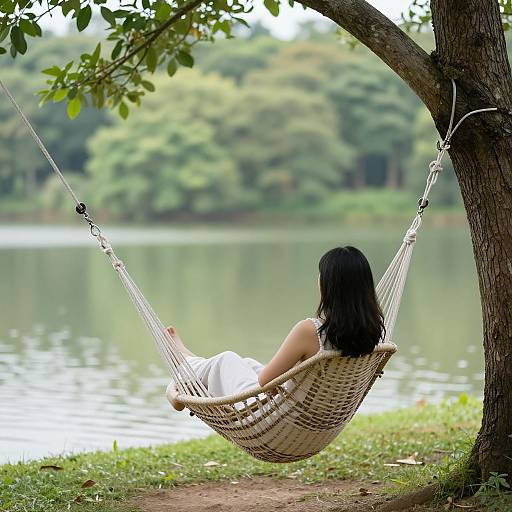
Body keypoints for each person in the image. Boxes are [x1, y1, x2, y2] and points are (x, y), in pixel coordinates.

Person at [166, 246, 385, 411]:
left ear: (329, 285)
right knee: (248, 364)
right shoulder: (373, 335)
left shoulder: (310, 331)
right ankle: (191, 365)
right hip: (319, 421)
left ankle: (183, 371)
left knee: (227, 360)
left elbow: (264, 383)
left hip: (270, 418)